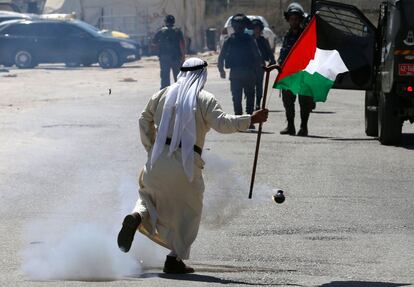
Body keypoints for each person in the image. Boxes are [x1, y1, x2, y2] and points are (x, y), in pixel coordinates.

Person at [117, 58, 269, 274]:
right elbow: (223, 123)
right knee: (189, 212)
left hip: (157, 160)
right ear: (202, 75)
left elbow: (143, 119)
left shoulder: (162, 94)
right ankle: (173, 259)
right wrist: (251, 119)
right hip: (186, 165)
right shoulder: (205, 98)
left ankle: (137, 216)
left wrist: (151, 147)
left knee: (148, 197)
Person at [218, 13, 262, 129]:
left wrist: (221, 70)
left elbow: (221, 56)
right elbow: (257, 56)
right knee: (249, 96)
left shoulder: (229, 40)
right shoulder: (249, 39)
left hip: (236, 73)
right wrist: (258, 71)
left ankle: (239, 122)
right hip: (248, 73)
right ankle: (248, 121)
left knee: (237, 98)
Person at [278, 3, 314, 136]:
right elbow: (283, 53)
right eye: (291, 18)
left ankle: (304, 127)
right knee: (288, 101)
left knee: (305, 102)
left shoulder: (305, 35)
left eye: (296, 19)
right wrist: (280, 64)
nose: (294, 21)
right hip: (289, 73)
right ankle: (290, 126)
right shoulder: (287, 35)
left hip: (303, 73)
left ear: (300, 20)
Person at [152, 15, 186, 89]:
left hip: (164, 57)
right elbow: (182, 45)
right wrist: (183, 57)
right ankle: (179, 92)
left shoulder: (161, 31)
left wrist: (159, 49)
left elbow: (154, 43)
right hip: (176, 57)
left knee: (165, 77)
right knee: (178, 77)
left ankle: (165, 93)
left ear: (165, 21)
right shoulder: (178, 31)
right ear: (174, 22)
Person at [251, 18, 276, 110]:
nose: (256, 30)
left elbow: (270, 53)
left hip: (261, 66)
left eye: (257, 28)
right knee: (250, 86)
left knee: (259, 86)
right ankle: (250, 104)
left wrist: (270, 63)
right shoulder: (249, 40)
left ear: (260, 29)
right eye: (254, 28)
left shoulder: (263, 40)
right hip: (250, 67)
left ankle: (258, 103)